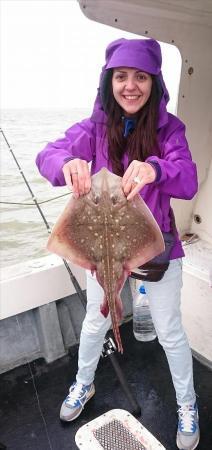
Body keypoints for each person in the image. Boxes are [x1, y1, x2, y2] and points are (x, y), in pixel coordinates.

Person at [36, 38, 199, 450]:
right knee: (96, 320)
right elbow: (49, 154)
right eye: (122, 76)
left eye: (141, 76)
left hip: (156, 248)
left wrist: (156, 169)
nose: (130, 85)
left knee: (170, 332)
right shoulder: (93, 129)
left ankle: (188, 405)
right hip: (104, 250)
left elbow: (188, 177)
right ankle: (83, 383)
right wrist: (65, 163)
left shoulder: (169, 129)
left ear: (154, 83)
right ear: (108, 81)